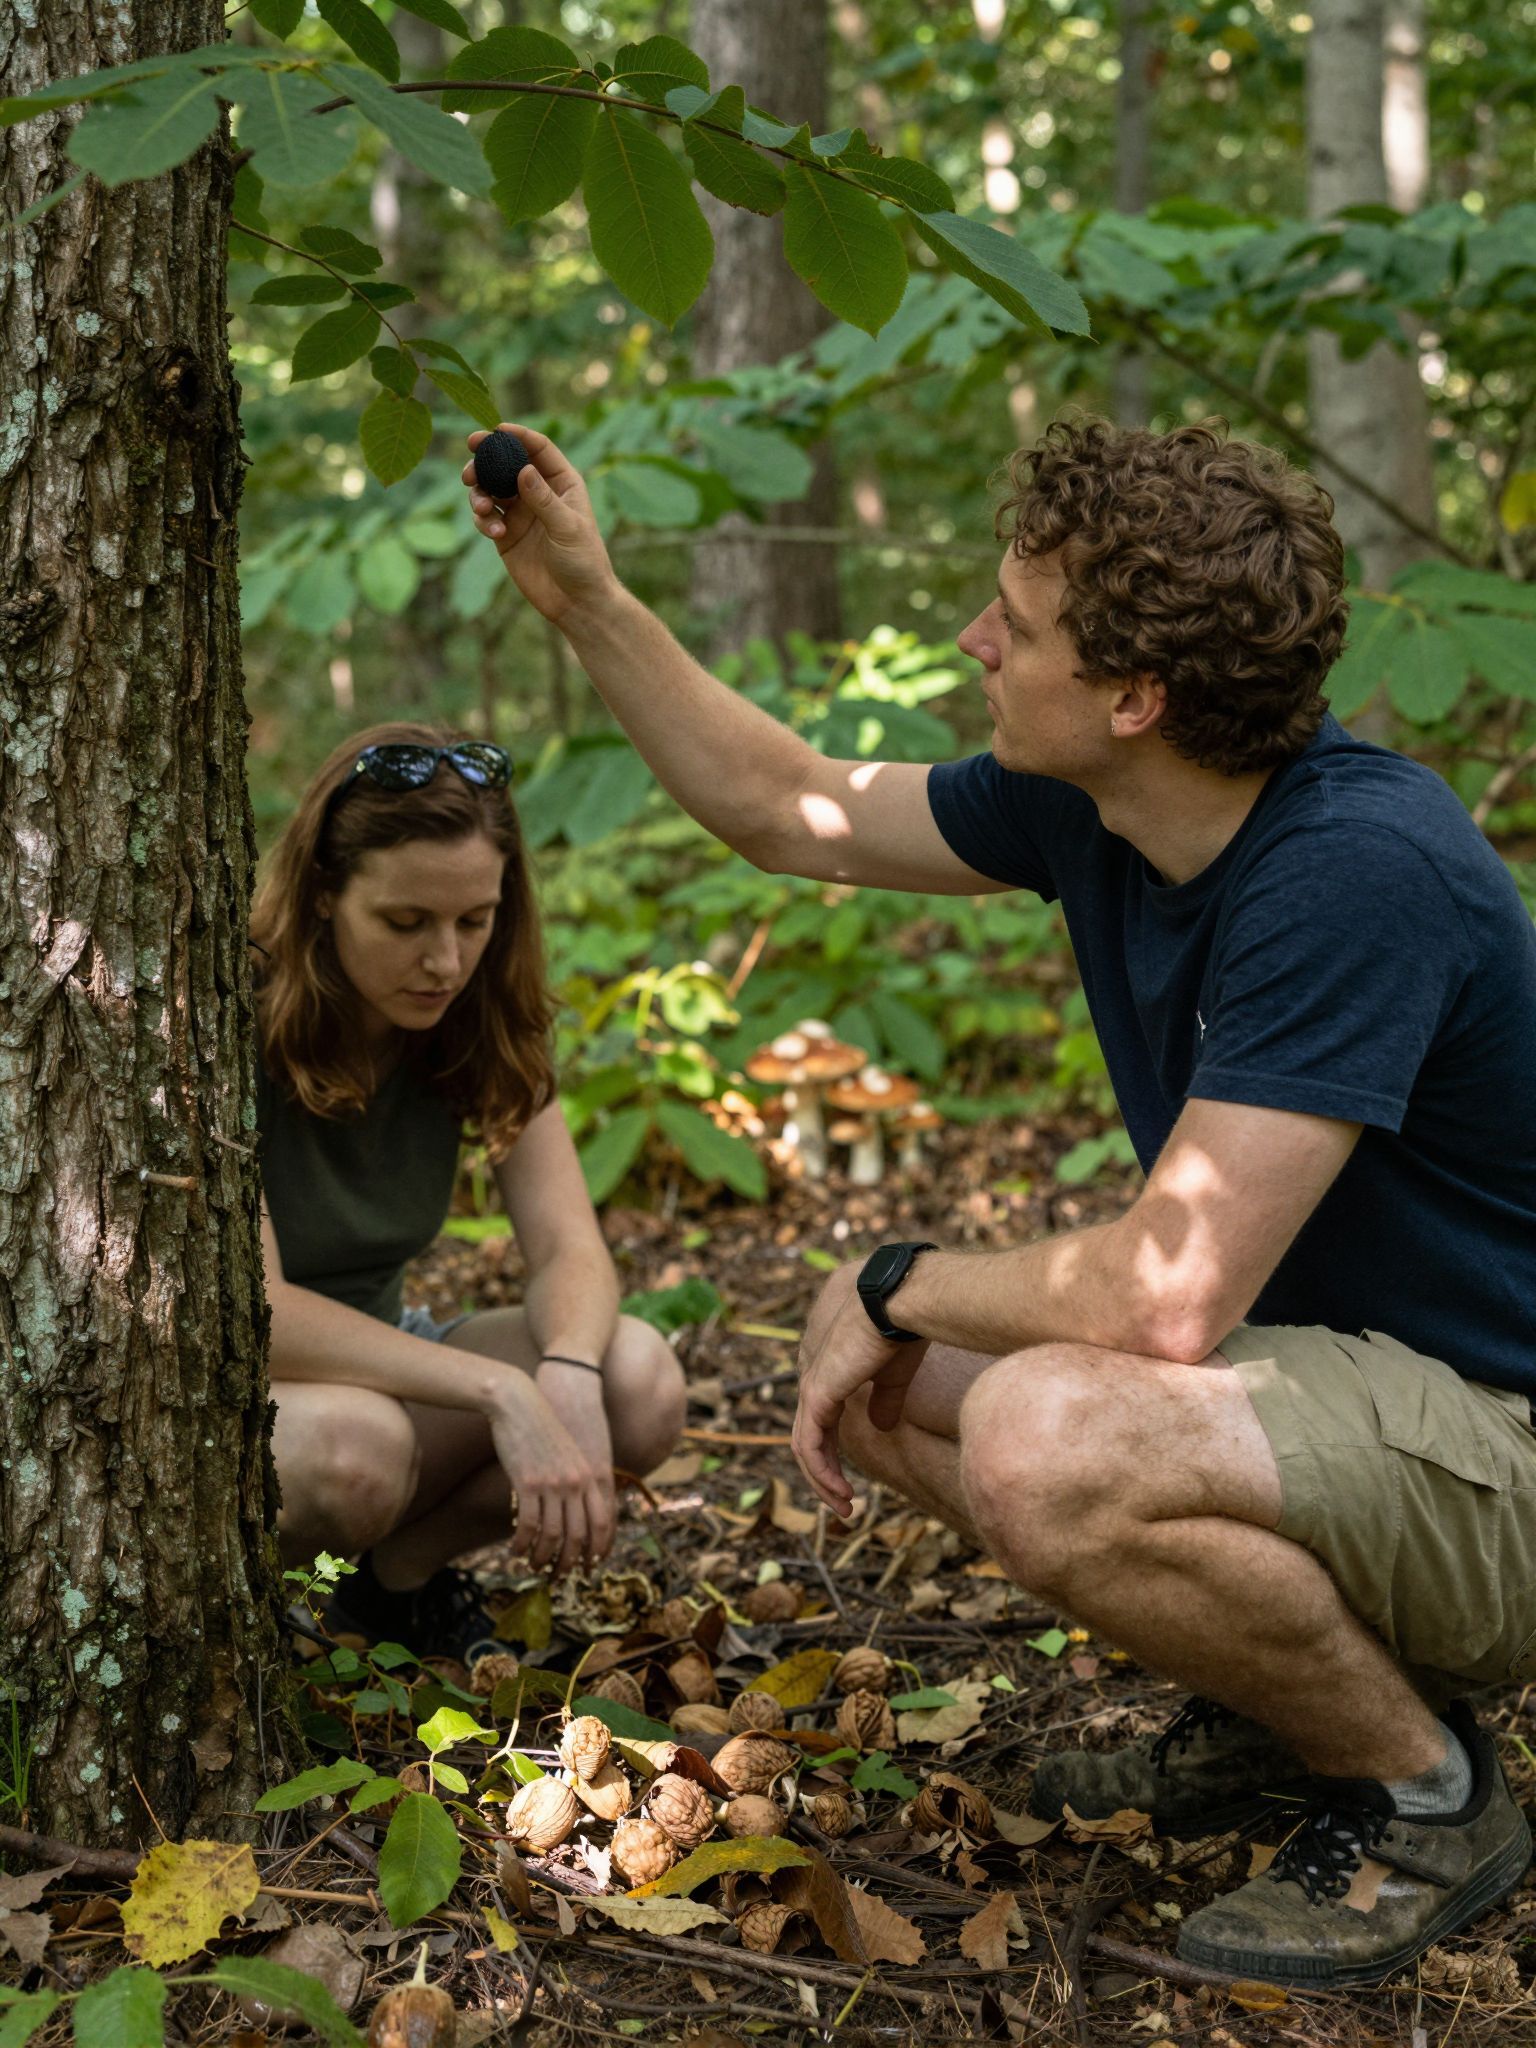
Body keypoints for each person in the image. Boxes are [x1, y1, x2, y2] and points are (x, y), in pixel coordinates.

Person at [464, 414, 1536, 1983]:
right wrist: (587, 602)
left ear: (1135, 697)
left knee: (1039, 1432)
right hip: (1351, 1409)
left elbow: (1160, 1300)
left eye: (1016, 626)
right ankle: (1292, 1715)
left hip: (1499, 1451)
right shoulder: (1091, 804)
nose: (977, 639)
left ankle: (1428, 1792)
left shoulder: (1356, 867)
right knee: (901, 1394)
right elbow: (788, 808)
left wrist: (893, 1274)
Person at [252, 724, 687, 1664]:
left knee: (636, 1381)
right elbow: (257, 1313)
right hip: (265, 1408)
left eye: (473, 921)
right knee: (359, 1451)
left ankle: (390, 1586)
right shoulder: (228, 1013)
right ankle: (254, 1616)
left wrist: (564, 1372)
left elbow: (570, 1248)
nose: (446, 961)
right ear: (324, 896)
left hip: (390, 1376)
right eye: (406, 924)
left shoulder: (475, 1014)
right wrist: (500, 1391)